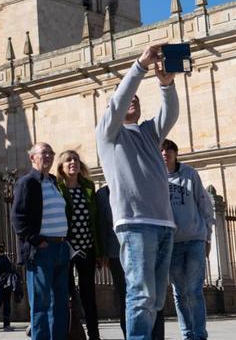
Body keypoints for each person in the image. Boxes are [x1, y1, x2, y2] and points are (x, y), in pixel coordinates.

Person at [95, 44, 178, 340]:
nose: (133, 100)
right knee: (140, 296)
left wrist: (166, 85)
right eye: (128, 97)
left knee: (155, 300)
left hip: (164, 224)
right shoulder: (108, 134)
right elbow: (118, 102)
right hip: (135, 222)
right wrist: (139, 67)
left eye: (137, 98)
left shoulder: (148, 132)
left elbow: (169, 115)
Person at [12, 142, 69, 340]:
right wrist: (37, 241)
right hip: (42, 250)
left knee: (60, 304)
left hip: (61, 248)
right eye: (43, 153)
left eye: (51, 153)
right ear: (32, 158)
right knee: (41, 304)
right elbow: (18, 218)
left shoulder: (53, 182)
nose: (48, 156)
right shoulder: (27, 182)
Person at [95, 184, 164, 340]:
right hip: (116, 252)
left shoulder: (138, 184)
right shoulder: (103, 193)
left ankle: (155, 335)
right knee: (125, 296)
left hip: (144, 247)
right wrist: (103, 252)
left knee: (151, 294)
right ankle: (130, 335)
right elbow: (101, 224)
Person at [163, 138, 214, 340]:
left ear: (176, 153)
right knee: (179, 292)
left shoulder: (190, 174)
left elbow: (205, 205)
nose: (165, 154)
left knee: (194, 290)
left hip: (194, 240)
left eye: (169, 150)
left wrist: (207, 237)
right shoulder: (155, 177)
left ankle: (199, 335)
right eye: (161, 150)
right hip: (172, 243)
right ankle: (187, 334)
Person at [56, 150, 102, 340]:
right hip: (66, 250)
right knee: (68, 294)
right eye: (68, 160)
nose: (73, 162)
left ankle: (94, 335)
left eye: (75, 159)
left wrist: (99, 252)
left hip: (88, 248)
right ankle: (71, 333)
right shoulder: (57, 188)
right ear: (61, 166)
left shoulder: (89, 187)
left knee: (88, 294)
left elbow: (96, 221)